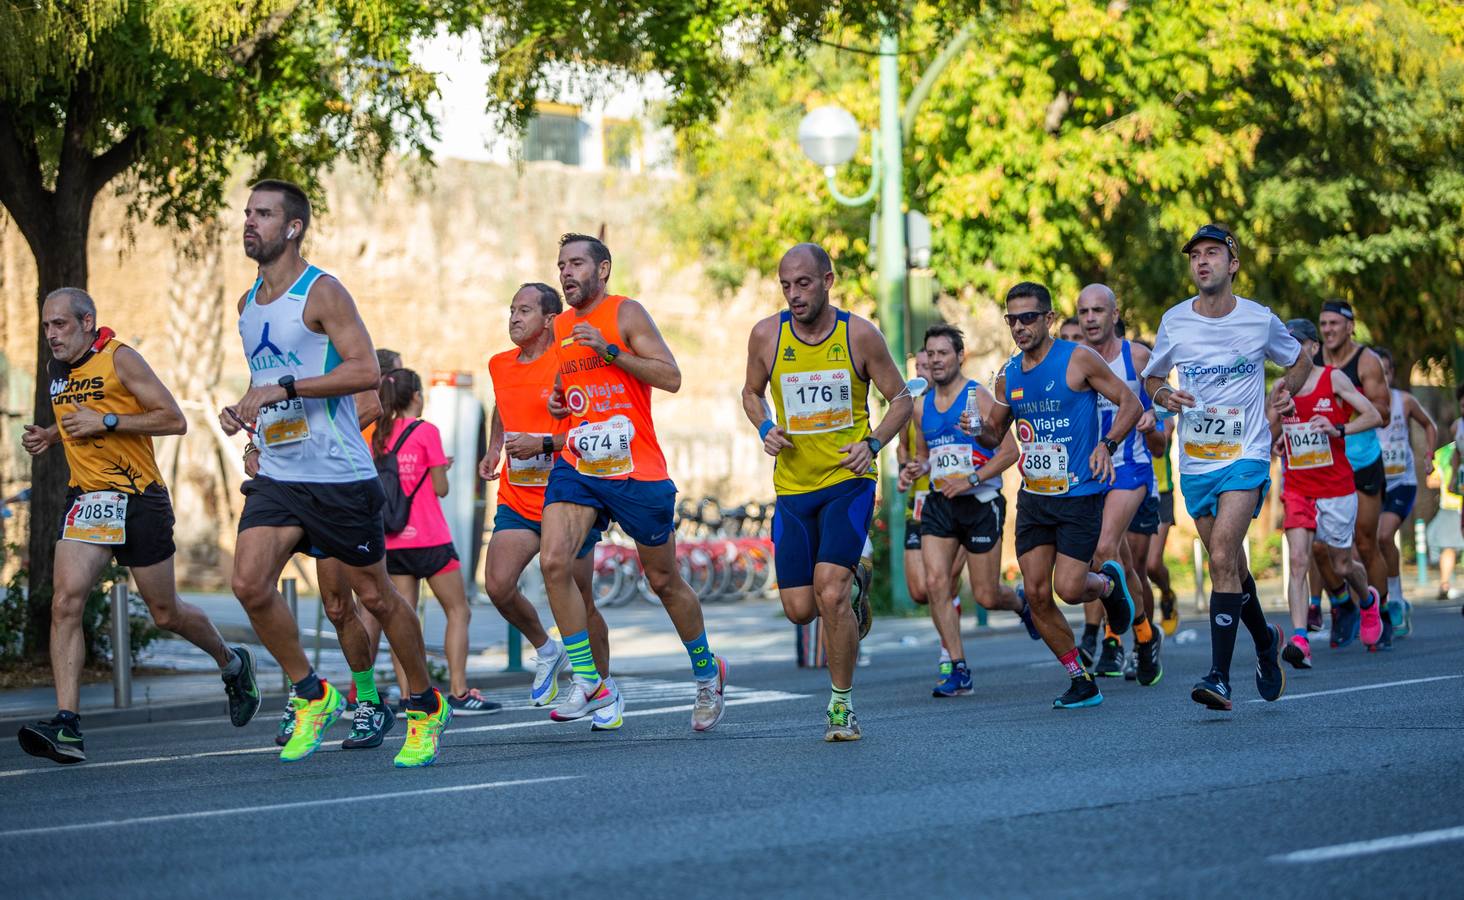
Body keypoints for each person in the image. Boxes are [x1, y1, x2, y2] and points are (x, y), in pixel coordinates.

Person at [222, 178, 448, 767]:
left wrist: (284, 388)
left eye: (264, 214)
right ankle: (311, 692)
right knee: (248, 583)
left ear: (292, 228)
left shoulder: (321, 292)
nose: (251, 223)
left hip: (338, 475)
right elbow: (267, 382)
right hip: (279, 472)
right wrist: (249, 416)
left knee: (375, 596)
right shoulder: (246, 306)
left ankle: (424, 705)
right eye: (248, 213)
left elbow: (365, 371)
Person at [17, 289, 260, 765]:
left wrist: (107, 420)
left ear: (88, 322)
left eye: (60, 325)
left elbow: (174, 420)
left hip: (138, 499)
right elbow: (76, 419)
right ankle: (67, 725)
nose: (51, 335)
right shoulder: (57, 371)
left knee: (165, 613)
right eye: (46, 326)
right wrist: (52, 433)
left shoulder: (121, 359)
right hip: (88, 500)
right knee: (66, 603)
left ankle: (232, 663)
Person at [541, 233, 726, 731]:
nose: (566, 273)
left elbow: (670, 376)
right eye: (561, 265)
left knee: (663, 580)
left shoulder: (626, 313)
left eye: (576, 263)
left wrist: (611, 352)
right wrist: (560, 402)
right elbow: (568, 385)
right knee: (554, 560)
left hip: (635, 468)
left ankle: (707, 673)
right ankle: (589, 679)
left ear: (602, 270)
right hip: (581, 465)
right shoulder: (559, 325)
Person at [743, 242, 912, 740]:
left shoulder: (858, 334)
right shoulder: (766, 336)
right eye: (786, 285)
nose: (795, 295)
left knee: (829, 591)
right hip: (793, 489)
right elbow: (751, 392)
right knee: (800, 610)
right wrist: (764, 427)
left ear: (828, 280)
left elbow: (900, 398)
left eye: (804, 283)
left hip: (847, 482)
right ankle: (856, 589)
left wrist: (874, 442)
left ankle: (842, 706)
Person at [1144, 223, 1310, 711]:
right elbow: (1153, 375)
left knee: (1220, 556)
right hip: (1197, 461)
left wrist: (1285, 391)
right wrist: (1163, 395)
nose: (1202, 261)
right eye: (1195, 255)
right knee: (1232, 565)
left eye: (1212, 253)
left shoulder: (1259, 319)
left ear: (1232, 264)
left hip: (1247, 454)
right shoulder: (1175, 320)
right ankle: (1264, 641)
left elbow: (1297, 360)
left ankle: (1219, 676)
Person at [973, 282, 1142, 710]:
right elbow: (996, 433)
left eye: (1029, 317)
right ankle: (1080, 679)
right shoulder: (1008, 375)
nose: (1020, 326)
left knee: (1068, 588)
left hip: (1079, 493)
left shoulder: (1078, 359)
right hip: (1035, 497)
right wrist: (978, 428)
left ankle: (1106, 583)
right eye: (1012, 319)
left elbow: (1130, 403)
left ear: (1048, 319)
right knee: (1035, 594)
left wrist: (1108, 445)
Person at [480, 283, 616, 728]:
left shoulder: (567, 360)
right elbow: (502, 407)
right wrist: (494, 448)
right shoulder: (499, 364)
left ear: (548, 319)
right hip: (518, 495)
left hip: (568, 495)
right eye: (512, 309)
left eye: (524, 310)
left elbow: (588, 424)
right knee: (498, 585)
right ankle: (546, 647)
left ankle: (602, 690)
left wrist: (543, 442)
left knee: (581, 597)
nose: (514, 317)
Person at [903, 323, 1034, 698]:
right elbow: (927, 457)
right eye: (930, 354)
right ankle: (957, 667)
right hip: (941, 504)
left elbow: (1010, 452)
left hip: (979, 502)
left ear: (960, 356)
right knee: (935, 583)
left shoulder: (978, 395)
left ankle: (1019, 601)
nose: (936, 360)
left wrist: (972, 479)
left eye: (943, 353)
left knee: (987, 595)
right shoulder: (921, 406)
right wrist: (919, 468)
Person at [369, 367, 498, 714]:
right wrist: (437, 467)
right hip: (429, 539)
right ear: (415, 397)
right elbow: (441, 489)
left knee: (403, 619)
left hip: (393, 543)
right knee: (458, 610)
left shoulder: (377, 434)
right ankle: (458, 689)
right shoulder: (426, 431)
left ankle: (409, 694)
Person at [1269, 319, 1382, 669]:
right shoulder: (1281, 386)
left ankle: (1367, 601)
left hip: (1335, 486)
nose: (1291, 350)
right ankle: (1300, 639)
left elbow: (1374, 414)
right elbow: (1268, 431)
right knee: (1299, 560)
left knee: (1342, 563)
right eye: (1284, 344)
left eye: (1297, 343)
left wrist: (1338, 429)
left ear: (1313, 347)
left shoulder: (1332, 378)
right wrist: (1278, 431)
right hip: (1299, 488)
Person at [1074, 286, 1165, 686]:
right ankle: (1145, 636)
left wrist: (1152, 422)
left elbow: (1161, 434)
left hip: (1131, 468)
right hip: (1090, 475)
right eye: (1083, 312)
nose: (1090, 318)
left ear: (1114, 315)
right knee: (1125, 565)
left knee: (1103, 547)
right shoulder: (1072, 363)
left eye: (1098, 310)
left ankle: (1113, 635)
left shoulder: (1138, 358)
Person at [1315, 300, 1393, 649]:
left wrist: (1343, 420)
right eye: (1323, 324)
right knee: (1319, 547)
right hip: (1325, 466)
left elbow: (1384, 413)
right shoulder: (1313, 364)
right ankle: (1343, 604)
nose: (1328, 329)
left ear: (1350, 326)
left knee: (1365, 542)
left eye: (1334, 323)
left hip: (1362, 464)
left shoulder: (1366, 361)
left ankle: (1382, 613)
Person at [1375, 347, 1435, 637]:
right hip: (1374, 482)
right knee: (1369, 544)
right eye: (1378, 372)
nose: (1383, 377)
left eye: (1386, 371)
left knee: (1384, 536)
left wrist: (1429, 455)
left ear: (1392, 373)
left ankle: (1396, 599)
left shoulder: (1405, 400)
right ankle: (1381, 604)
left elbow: (1429, 425)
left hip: (1402, 481)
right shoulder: (1362, 402)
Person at [1426, 387, 1464, 604]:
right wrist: (1451, 481)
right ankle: (1444, 583)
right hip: (1455, 500)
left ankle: (1445, 583)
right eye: (1462, 404)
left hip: (1452, 503)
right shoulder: (1456, 429)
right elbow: (1456, 457)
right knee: (1450, 544)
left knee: (1449, 546)